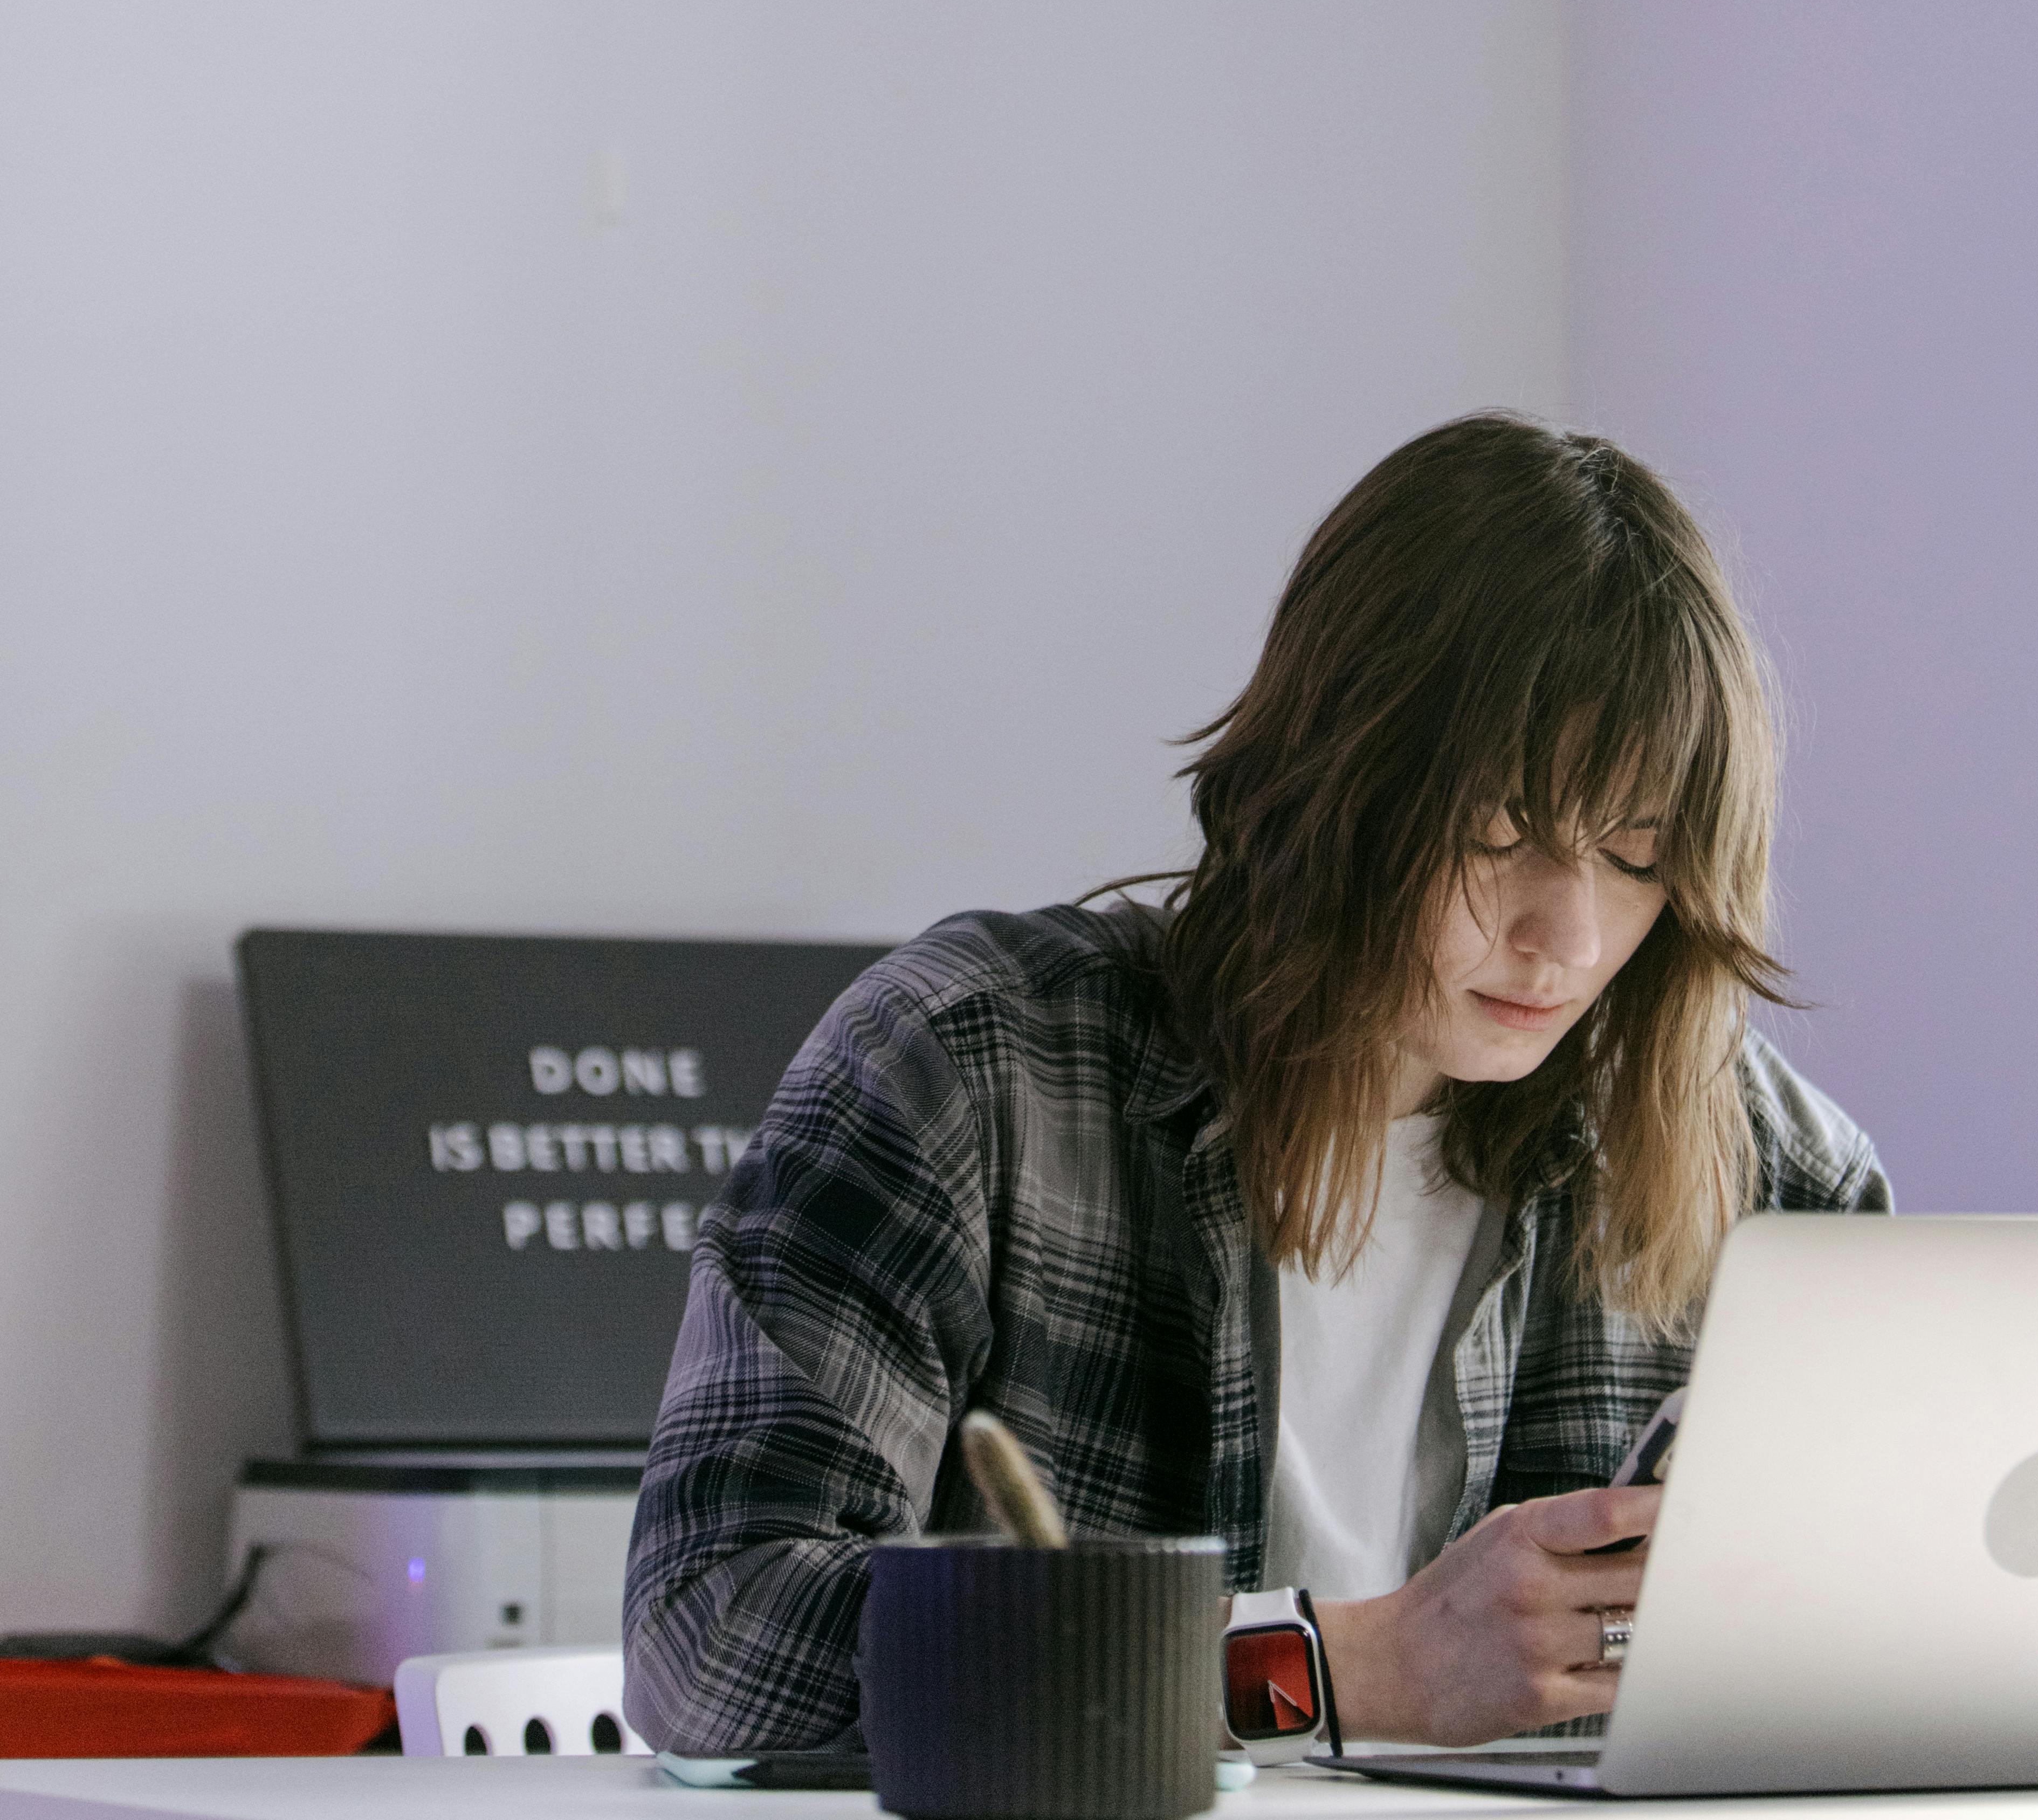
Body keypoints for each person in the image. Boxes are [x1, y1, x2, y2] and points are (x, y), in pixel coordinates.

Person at [622, 416, 1888, 1756]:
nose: (1565, 938)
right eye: (1498, 831)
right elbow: (713, 1638)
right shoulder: (970, 1071)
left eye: (1635, 856)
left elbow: (1881, 1658)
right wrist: (1338, 1669)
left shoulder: (1772, 1173)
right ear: (1333, 780)